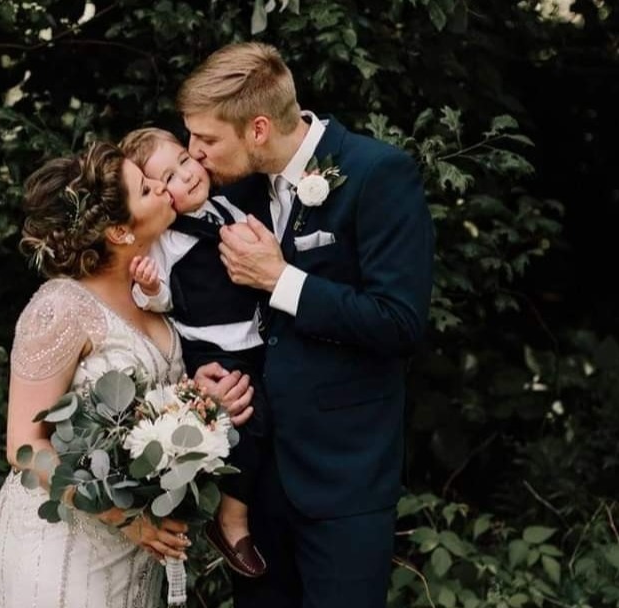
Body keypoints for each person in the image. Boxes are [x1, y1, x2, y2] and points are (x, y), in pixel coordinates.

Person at [177, 42, 435, 607]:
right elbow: (197, 304)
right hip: (252, 483)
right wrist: (203, 372)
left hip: (343, 479)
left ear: (259, 129)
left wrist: (282, 280)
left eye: (207, 139)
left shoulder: (376, 174)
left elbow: (399, 322)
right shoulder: (232, 188)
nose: (193, 154)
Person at [0, 141, 255, 607]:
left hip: (136, 552)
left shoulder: (156, 296)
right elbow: (25, 449)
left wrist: (198, 402)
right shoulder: (61, 307)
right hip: (61, 547)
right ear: (118, 231)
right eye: (147, 188)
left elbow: (145, 413)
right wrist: (123, 517)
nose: (163, 187)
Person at [119, 127, 270, 578]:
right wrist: (150, 287)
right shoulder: (166, 240)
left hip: (253, 335)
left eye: (184, 160)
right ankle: (231, 521)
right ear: (159, 196)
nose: (187, 175)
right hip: (213, 347)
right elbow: (161, 298)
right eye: (169, 177)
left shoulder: (225, 207)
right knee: (251, 418)